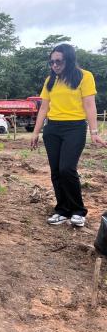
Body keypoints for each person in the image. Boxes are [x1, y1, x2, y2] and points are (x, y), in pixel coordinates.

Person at [31, 43, 106, 227]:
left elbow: (89, 105)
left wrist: (94, 131)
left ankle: (78, 210)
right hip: (53, 129)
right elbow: (44, 108)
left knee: (67, 169)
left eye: (58, 61)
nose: (54, 65)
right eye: (52, 62)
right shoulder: (50, 80)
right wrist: (35, 132)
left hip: (75, 128)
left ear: (69, 60)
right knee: (56, 172)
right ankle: (62, 210)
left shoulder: (84, 77)